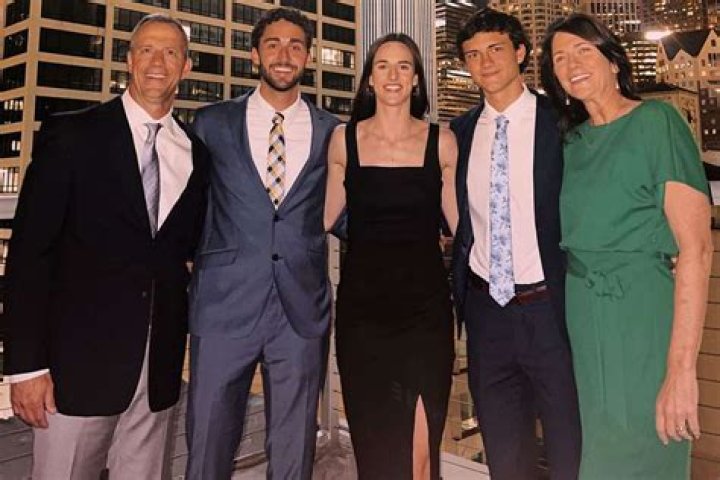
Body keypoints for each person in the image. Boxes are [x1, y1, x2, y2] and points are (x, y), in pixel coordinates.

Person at [3, 14, 207, 480]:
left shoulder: (196, 153)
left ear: (186, 67)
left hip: (156, 369)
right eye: (147, 50)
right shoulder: (72, 135)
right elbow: (30, 254)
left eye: (171, 53)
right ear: (129, 60)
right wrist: (26, 368)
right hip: (75, 370)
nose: (158, 62)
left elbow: (184, 250)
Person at [540, 13, 712, 479]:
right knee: (597, 454)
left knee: (653, 439)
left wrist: (681, 370)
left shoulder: (658, 121)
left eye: (584, 50)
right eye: (560, 58)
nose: (572, 64)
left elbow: (696, 250)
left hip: (642, 313)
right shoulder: (570, 143)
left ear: (613, 61)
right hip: (584, 314)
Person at [185, 7, 340, 480]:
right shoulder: (211, 123)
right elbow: (187, 206)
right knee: (208, 441)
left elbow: (346, 210)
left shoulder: (333, 131)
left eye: (295, 45)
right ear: (254, 54)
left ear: (308, 56)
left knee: (294, 447)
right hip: (223, 303)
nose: (284, 55)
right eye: (273, 44)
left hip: (301, 308)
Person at [450, 8, 582, 480]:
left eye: (495, 50)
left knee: (570, 447)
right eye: (472, 55)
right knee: (505, 454)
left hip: (552, 311)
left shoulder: (565, 123)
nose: (484, 62)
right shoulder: (458, 134)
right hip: (487, 313)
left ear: (521, 52)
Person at [324, 33, 458, 480]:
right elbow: (320, 218)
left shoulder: (442, 142)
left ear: (416, 78)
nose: (393, 75)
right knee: (375, 452)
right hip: (362, 319)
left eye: (404, 66)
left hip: (425, 317)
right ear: (369, 79)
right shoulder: (344, 141)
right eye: (382, 65)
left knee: (421, 455)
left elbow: (464, 227)